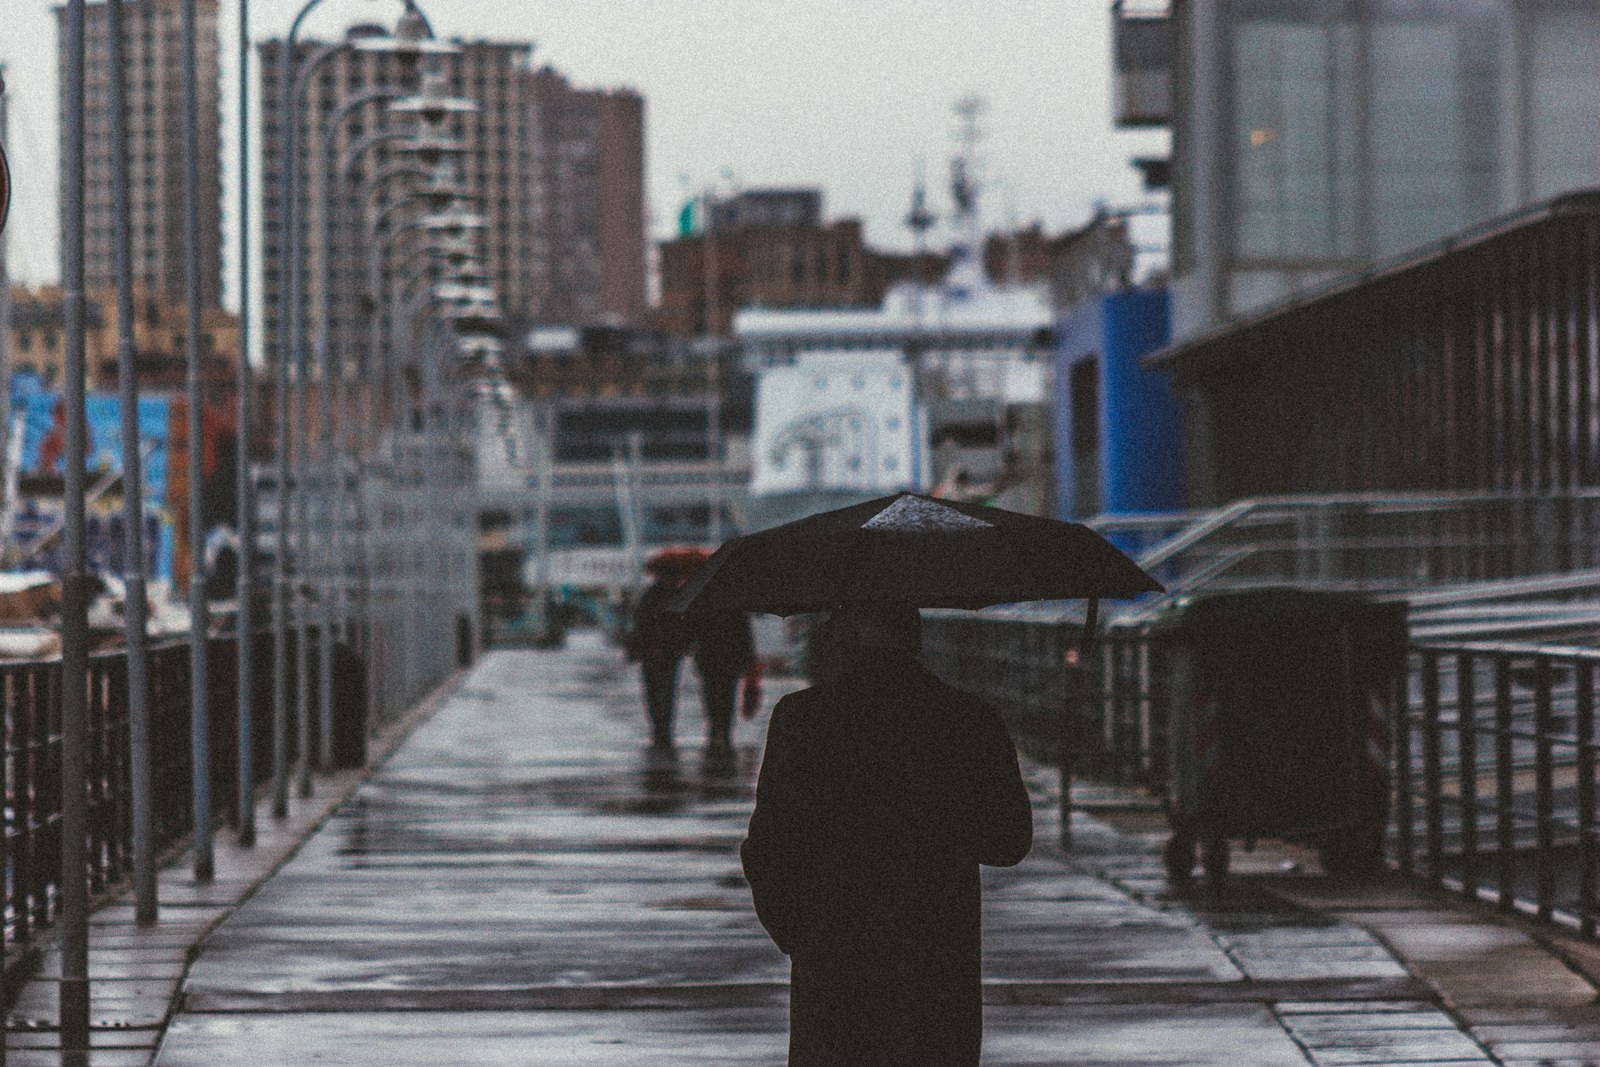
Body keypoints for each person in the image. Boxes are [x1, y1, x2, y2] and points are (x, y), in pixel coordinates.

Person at [741, 602, 1033, 1066]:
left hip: (834, 958)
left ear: (847, 641)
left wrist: (799, 935)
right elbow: (1010, 840)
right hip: (937, 958)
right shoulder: (970, 719)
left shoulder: (803, 718)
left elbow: (768, 849)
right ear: (914, 641)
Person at [627, 564, 690, 747]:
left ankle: (660, 728)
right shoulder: (671, 597)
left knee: (658, 690)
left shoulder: (651, 597)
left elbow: (640, 624)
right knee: (663, 690)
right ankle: (662, 727)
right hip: (662, 652)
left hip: (660, 653)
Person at [690, 609, 755, 752]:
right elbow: (745, 637)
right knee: (726, 696)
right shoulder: (737, 611)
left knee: (712, 696)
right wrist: (748, 660)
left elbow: (695, 634)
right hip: (727, 661)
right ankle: (723, 729)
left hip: (712, 661)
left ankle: (716, 727)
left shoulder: (705, 610)